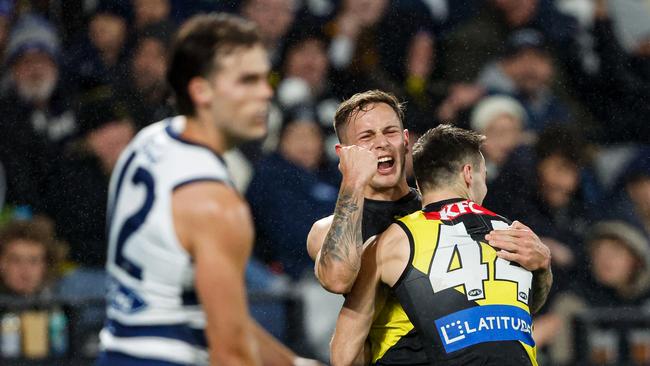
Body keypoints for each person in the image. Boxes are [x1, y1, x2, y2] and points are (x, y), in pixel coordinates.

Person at [97, 13, 317, 366]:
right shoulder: (216, 204)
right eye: (248, 81)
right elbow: (230, 354)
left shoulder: (147, 142)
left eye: (264, 77)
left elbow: (210, 313)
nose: (266, 92)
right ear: (201, 90)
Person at [306, 90, 552, 363]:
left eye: (390, 132)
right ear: (343, 154)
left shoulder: (448, 211)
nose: (381, 144)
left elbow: (515, 302)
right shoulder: (329, 229)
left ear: (406, 141)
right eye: (367, 137)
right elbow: (337, 278)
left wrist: (541, 265)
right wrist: (353, 181)